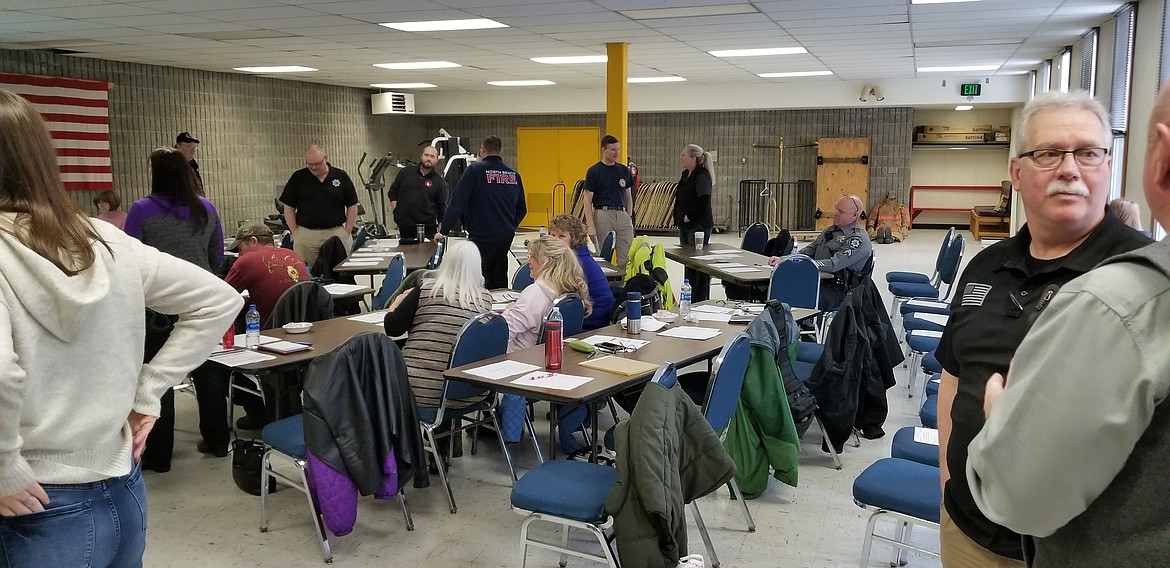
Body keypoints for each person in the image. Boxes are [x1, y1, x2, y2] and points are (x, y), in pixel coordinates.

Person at [0, 90, 239, 565]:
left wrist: (3, 467)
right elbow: (218, 298)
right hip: (121, 487)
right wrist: (149, 391)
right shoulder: (102, 237)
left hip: (34, 499)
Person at [934, 91, 1152, 568]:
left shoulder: (1147, 282)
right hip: (969, 531)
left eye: (1088, 153)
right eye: (1050, 153)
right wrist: (948, 485)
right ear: (1017, 172)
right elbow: (954, 378)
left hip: (1079, 550)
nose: (1070, 169)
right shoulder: (986, 267)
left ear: (1108, 165)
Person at [125, 147, 235, 466]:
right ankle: (217, 441)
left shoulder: (142, 210)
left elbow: (130, 259)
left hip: (157, 310)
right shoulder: (206, 208)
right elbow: (217, 256)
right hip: (200, 304)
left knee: (158, 380)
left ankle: (159, 455)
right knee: (209, 376)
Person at [437, 135, 526, 290]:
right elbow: (522, 209)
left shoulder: (474, 171)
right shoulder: (513, 175)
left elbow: (457, 203)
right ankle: (500, 306)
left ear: (482, 149)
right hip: (504, 236)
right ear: (500, 151)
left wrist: (443, 231)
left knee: (480, 275)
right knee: (499, 274)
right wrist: (510, 226)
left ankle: (480, 308)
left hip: (481, 234)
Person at [767, 194, 873, 311]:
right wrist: (785, 259)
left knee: (799, 298)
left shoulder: (857, 239)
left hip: (839, 289)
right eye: (836, 208)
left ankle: (807, 327)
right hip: (816, 281)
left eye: (841, 211)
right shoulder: (830, 231)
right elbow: (808, 251)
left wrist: (808, 264)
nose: (835, 213)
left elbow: (834, 264)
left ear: (855, 215)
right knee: (777, 292)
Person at [501, 236, 591, 353]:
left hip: (519, 359)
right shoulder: (568, 291)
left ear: (548, 261)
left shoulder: (535, 293)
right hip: (549, 358)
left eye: (533, 257)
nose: (528, 261)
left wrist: (508, 310)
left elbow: (501, 334)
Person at [280, 145, 359, 268]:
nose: (313, 167)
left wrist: (347, 231)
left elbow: (352, 205)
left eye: (317, 163)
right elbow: (288, 206)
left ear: (325, 158)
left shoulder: (340, 176)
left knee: (341, 272)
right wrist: (295, 232)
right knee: (307, 274)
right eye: (310, 164)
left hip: (336, 232)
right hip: (306, 235)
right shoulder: (298, 178)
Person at [224, 222, 310, 327]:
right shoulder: (293, 254)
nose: (239, 255)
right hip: (304, 324)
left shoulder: (246, 261)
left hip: (268, 328)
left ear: (254, 241)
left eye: (240, 249)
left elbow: (222, 297)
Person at [549, 214, 615, 330]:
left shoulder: (576, 262)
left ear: (575, 239)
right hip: (587, 317)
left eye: (562, 236)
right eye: (552, 235)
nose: (555, 240)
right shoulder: (573, 256)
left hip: (592, 323)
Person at [583, 135, 635, 268]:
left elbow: (628, 196)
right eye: (612, 150)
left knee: (626, 257)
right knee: (603, 256)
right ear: (603, 150)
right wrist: (591, 225)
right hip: (603, 214)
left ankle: (622, 285)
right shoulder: (594, 171)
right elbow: (587, 200)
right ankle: (605, 285)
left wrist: (628, 216)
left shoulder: (624, 170)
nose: (616, 153)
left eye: (618, 149)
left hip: (622, 214)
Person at [675, 144, 716, 302]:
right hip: (685, 226)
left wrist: (690, 216)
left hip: (698, 226)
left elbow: (703, 201)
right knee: (688, 263)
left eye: (684, 155)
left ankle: (699, 299)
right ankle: (688, 298)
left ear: (693, 158)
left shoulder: (702, 176)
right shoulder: (686, 175)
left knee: (698, 264)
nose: (681, 158)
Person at [389, 145, 449, 240]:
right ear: (421, 156)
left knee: (424, 254)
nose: (428, 158)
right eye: (426, 155)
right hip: (404, 226)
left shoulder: (440, 183)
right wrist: (396, 210)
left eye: (432, 156)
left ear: (437, 160)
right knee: (405, 253)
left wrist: (441, 233)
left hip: (427, 229)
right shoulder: (405, 173)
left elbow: (442, 209)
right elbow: (392, 192)